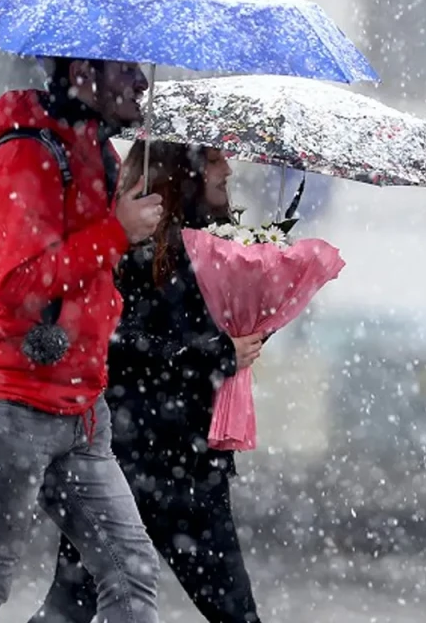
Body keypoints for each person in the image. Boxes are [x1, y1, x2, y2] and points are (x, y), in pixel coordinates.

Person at [0, 57, 165, 623]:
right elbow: (19, 282)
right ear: (83, 72)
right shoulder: (26, 154)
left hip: (81, 408)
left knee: (132, 572)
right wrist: (117, 231)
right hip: (3, 403)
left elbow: (91, 276)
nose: (142, 81)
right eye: (124, 69)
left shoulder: (98, 155)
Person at [31, 139, 265, 623]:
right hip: (133, 459)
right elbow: (120, 343)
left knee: (72, 608)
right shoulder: (132, 247)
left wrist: (254, 326)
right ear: (186, 170)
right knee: (70, 606)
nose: (228, 169)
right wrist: (217, 354)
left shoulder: (219, 247)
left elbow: (200, 342)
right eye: (217, 158)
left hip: (189, 462)